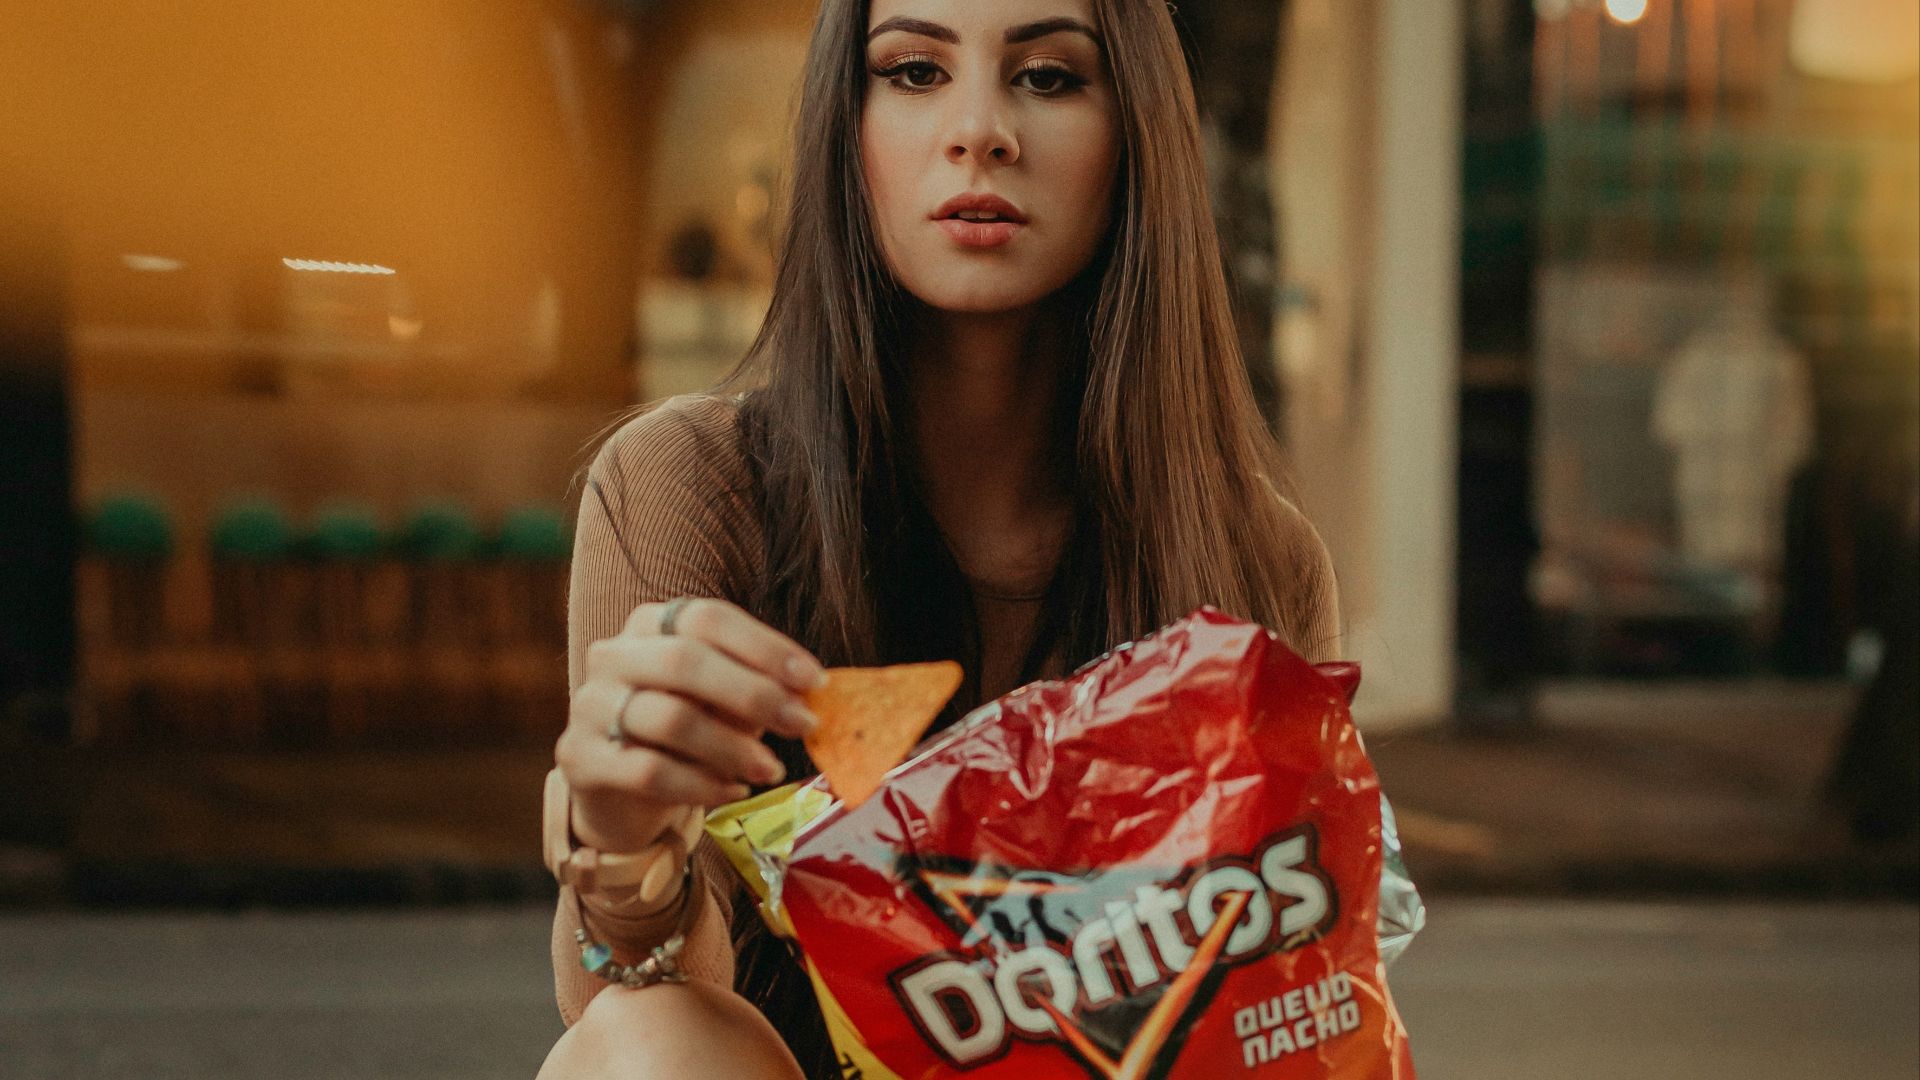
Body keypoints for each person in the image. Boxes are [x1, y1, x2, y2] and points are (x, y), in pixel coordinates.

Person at [537, 1, 1341, 1076]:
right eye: (913, 71)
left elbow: (1284, 1023)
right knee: (649, 1034)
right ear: (842, 124)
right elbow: (632, 1020)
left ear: (1137, 132)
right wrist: (624, 840)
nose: (980, 130)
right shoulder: (689, 487)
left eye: (1049, 77)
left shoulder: (1252, 557)